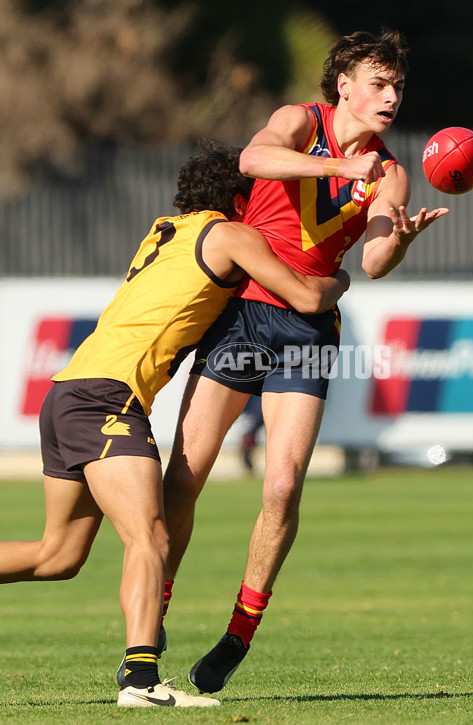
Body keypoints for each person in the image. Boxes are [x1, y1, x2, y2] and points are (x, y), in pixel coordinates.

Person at [0, 140, 349, 709]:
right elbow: (307, 295)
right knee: (151, 536)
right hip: (107, 401)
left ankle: (142, 672)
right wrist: (341, 281)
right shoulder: (232, 234)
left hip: (66, 395)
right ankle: (141, 682)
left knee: (56, 556)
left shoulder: (165, 229)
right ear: (241, 200)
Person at [161, 28, 449, 694]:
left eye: (398, 85)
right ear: (344, 86)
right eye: (379, 82)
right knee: (185, 476)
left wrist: (400, 242)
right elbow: (256, 160)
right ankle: (157, 605)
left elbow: (372, 261)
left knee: (284, 485)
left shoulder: (392, 171)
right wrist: (336, 170)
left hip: (310, 326)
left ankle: (238, 634)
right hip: (243, 313)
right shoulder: (299, 122)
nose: (391, 96)